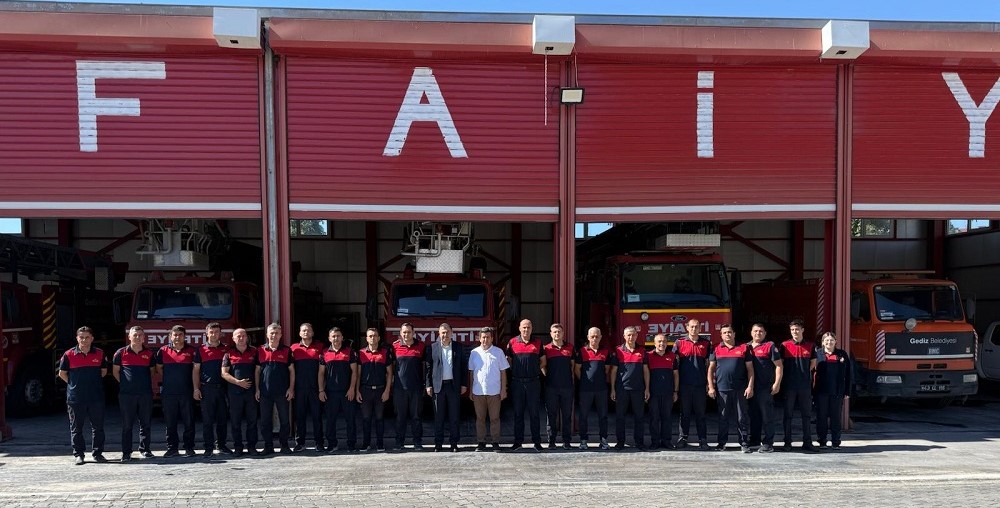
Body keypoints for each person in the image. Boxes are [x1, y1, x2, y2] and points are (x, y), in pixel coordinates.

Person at [58, 326, 109, 465]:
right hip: (76, 398)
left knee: (98, 427)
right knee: (76, 428)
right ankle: (79, 455)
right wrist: (74, 384)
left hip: (96, 397)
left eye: (87, 337)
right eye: (81, 337)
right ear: (77, 338)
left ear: (92, 338)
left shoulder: (99, 353)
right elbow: (62, 374)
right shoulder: (68, 354)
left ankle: (98, 453)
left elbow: (103, 371)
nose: (84, 340)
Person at [707, 324, 754, 453]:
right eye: (725, 333)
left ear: (734, 334)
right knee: (723, 418)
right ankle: (721, 443)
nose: (727, 334)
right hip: (722, 389)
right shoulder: (716, 349)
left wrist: (750, 386)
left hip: (740, 389)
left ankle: (744, 443)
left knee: (742, 418)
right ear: (721, 335)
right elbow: (711, 370)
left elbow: (750, 369)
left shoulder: (744, 348)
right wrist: (711, 387)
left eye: (729, 332)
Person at [112, 326, 155, 462]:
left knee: (146, 424)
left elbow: (152, 372)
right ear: (129, 337)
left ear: (143, 338)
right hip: (126, 395)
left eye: (140, 335)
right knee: (127, 425)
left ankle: (145, 450)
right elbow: (115, 372)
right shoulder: (120, 353)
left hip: (145, 394)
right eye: (134, 335)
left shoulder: (149, 353)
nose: (137, 337)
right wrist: (126, 384)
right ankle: (126, 453)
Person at [155, 324, 197, 457]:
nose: (177, 337)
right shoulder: (163, 351)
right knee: (170, 422)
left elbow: (195, 370)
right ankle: (172, 448)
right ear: (170, 336)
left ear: (185, 337)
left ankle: (189, 447)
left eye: (180, 335)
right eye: (175, 335)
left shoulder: (192, 351)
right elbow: (159, 368)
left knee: (189, 422)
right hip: (169, 393)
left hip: (187, 392)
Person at [425, 323, 467, 452]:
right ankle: (438, 444)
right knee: (439, 417)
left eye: (447, 332)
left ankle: (454, 443)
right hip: (438, 387)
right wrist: (428, 385)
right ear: (439, 334)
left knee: (454, 417)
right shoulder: (432, 348)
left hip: (453, 387)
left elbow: (463, 367)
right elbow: (428, 368)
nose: (445, 335)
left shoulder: (459, 347)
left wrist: (464, 384)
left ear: (452, 333)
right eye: (442, 332)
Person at [506, 318, 545, 452]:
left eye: (528, 327)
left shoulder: (538, 342)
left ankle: (537, 442)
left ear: (532, 328)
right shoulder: (512, 342)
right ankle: (518, 442)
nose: (526, 330)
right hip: (517, 383)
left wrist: (533, 369)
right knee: (518, 414)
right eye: (524, 327)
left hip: (533, 383)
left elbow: (543, 361)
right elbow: (508, 361)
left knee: (534, 414)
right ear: (519, 328)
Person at [255, 322, 295, 455]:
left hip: (282, 392)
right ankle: (268, 446)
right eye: (272, 333)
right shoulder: (260, 350)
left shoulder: (287, 350)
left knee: (285, 420)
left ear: (281, 335)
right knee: (265, 421)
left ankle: (284, 445)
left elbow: (292, 371)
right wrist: (257, 389)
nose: (274, 335)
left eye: (277, 333)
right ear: (267, 334)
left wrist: (291, 388)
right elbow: (257, 371)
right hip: (265, 392)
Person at [193, 322, 231, 457]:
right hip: (206, 389)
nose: (214, 334)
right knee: (207, 420)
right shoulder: (200, 350)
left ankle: (221, 445)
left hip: (223, 389)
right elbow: (196, 370)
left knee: (222, 419)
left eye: (217, 332)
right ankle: (208, 447)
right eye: (211, 332)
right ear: (206, 333)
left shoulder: (227, 349)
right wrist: (196, 389)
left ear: (220, 333)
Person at [673, 318, 712, 450]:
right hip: (684, 384)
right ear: (687, 327)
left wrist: (709, 383)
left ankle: (703, 440)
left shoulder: (706, 343)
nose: (694, 329)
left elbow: (709, 366)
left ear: (700, 328)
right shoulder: (679, 343)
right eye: (692, 327)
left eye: (697, 327)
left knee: (701, 414)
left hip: (700, 385)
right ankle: (682, 438)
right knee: (684, 413)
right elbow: (673, 365)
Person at [468, 326, 509, 451]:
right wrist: (470, 390)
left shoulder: (498, 352)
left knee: (494, 418)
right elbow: (471, 372)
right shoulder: (474, 353)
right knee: (480, 418)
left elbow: (503, 372)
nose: (485, 340)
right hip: (478, 391)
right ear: (479, 339)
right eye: (483, 337)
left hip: (494, 391)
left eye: (487, 337)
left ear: (492, 338)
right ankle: (481, 442)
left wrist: (503, 389)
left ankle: (495, 442)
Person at [319, 327, 358, 453]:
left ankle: (351, 444)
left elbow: (354, 372)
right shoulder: (324, 353)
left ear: (342, 337)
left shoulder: (349, 352)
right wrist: (321, 390)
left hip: (347, 392)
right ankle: (332, 444)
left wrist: (352, 388)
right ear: (329, 338)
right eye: (333, 336)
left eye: (338, 336)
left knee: (350, 419)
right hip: (330, 393)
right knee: (330, 420)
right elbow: (321, 373)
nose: (336, 338)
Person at [610, 326, 650, 450]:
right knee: (620, 417)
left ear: (636, 336)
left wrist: (647, 388)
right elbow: (613, 372)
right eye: (628, 335)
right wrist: (613, 389)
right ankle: (620, 442)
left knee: (639, 417)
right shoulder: (618, 351)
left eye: (633, 335)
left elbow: (646, 371)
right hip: (622, 389)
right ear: (624, 336)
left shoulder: (642, 351)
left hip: (638, 390)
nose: (631, 337)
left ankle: (639, 442)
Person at [781, 318, 818, 452]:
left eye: (797, 329)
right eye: (792, 330)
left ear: (802, 330)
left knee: (806, 415)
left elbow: (813, 364)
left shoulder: (811, 345)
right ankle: (787, 443)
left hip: (804, 386)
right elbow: (780, 364)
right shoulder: (784, 345)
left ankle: (807, 442)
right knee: (788, 415)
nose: (794, 332)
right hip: (789, 385)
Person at [221, 328, 258, 457]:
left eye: (243, 335)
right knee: (235, 422)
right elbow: (224, 373)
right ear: (233, 339)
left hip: (251, 393)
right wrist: (238, 382)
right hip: (234, 393)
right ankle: (238, 447)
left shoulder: (255, 351)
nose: (241, 338)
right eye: (238, 336)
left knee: (252, 421)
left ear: (247, 337)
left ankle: (252, 447)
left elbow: (259, 371)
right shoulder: (228, 354)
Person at [391, 323, 427, 451]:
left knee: (416, 417)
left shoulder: (421, 346)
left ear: (414, 332)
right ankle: (399, 442)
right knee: (400, 417)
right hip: (399, 389)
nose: (406, 335)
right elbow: (391, 368)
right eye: (404, 332)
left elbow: (425, 367)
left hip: (416, 388)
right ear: (401, 333)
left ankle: (417, 442)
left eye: (409, 332)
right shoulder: (394, 346)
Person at [747, 323, 783, 453]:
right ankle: (755, 440)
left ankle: (768, 443)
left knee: (767, 416)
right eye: (755, 331)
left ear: (765, 333)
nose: (758, 333)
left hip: (765, 387)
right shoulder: (746, 347)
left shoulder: (770, 346)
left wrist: (777, 383)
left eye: (761, 331)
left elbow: (779, 366)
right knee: (754, 415)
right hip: (751, 388)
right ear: (751, 332)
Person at [575, 326, 611, 451]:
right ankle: (583, 440)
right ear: (588, 338)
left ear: (600, 337)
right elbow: (577, 369)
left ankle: (604, 440)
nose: (594, 338)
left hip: (601, 389)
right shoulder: (582, 351)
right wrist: (586, 380)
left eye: (597, 336)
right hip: (585, 389)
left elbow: (607, 370)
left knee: (603, 416)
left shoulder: (605, 352)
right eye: (592, 336)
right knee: (583, 416)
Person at [291, 323, 325, 452]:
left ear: (312, 332)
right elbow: (290, 370)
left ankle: (319, 443)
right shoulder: (294, 348)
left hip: (315, 388)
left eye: (308, 330)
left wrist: (322, 387)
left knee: (317, 416)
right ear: (299, 333)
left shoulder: (320, 347)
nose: (306, 332)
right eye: (303, 330)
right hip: (299, 388)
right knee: (300, 417)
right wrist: (291, 388)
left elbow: (324, 369)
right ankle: (300, 443)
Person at [357, 328, 393, 452]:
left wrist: (387, 390)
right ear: (366, 338)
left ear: (379, 338)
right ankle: (365, 443)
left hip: (380, 390)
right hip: (365, 390)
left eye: (375, 336)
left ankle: (380, 443)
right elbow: (358, 374)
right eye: (370, 336)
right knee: (366, 418)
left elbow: (389, 373)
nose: (372, 338)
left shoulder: (384, 352)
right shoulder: (361, 353)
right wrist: (357, 390)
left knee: (379, 418)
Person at [814, 331, 851, 450]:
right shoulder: (817, 353)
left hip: (837, 391)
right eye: (827, 340)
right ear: (823, 342)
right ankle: (822, 441)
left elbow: (849, 374)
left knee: (836, 417)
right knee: (821, 417)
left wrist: (847, 391)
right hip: (821, 391)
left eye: (831, 340)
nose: (829, 342)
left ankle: (835, 442)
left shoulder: (842, 354)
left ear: (835, 341)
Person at [542, 323, 575, 450]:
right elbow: (543, 366)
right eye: (554, 332)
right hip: (551, 387)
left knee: (567, 415)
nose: (557, 334)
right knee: (551, 415)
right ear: (551, 334)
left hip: (567, 387)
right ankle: (552, 441)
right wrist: (549, 377)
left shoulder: (570, 348)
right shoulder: (547, 349)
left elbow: (572, 367)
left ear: (563, 333)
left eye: (559, 332)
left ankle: (566, 441)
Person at [647, 333, 679, 450]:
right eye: (659, 341)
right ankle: (655, 441)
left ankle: (666, 441)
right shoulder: (648, 356)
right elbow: (645, 374)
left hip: (668, 393)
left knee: (667, 418)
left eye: (664, 341)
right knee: (654, 418)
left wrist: (675, 391)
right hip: (653, 393)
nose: (662, 344)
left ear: (667, 343)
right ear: (654, 343)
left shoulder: (672, 356)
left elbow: (676, 375)